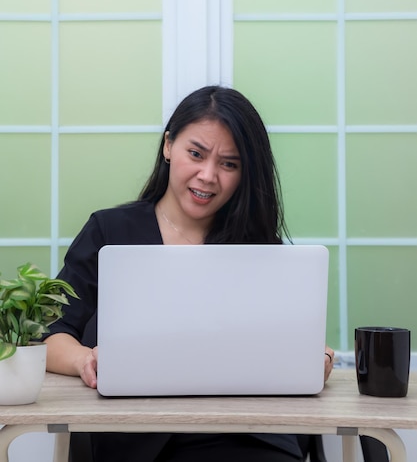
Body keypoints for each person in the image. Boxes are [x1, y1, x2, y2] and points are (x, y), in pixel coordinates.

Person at [45, 85, 334, 462]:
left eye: (229, 164)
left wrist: (313, 359)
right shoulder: (108, 231)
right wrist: (85, 361)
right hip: (140, 438)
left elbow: (282, 345)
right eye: (195, 154)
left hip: (252, 436)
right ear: (168, 146)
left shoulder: (259, 246)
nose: (208, 176)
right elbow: (51, 337)